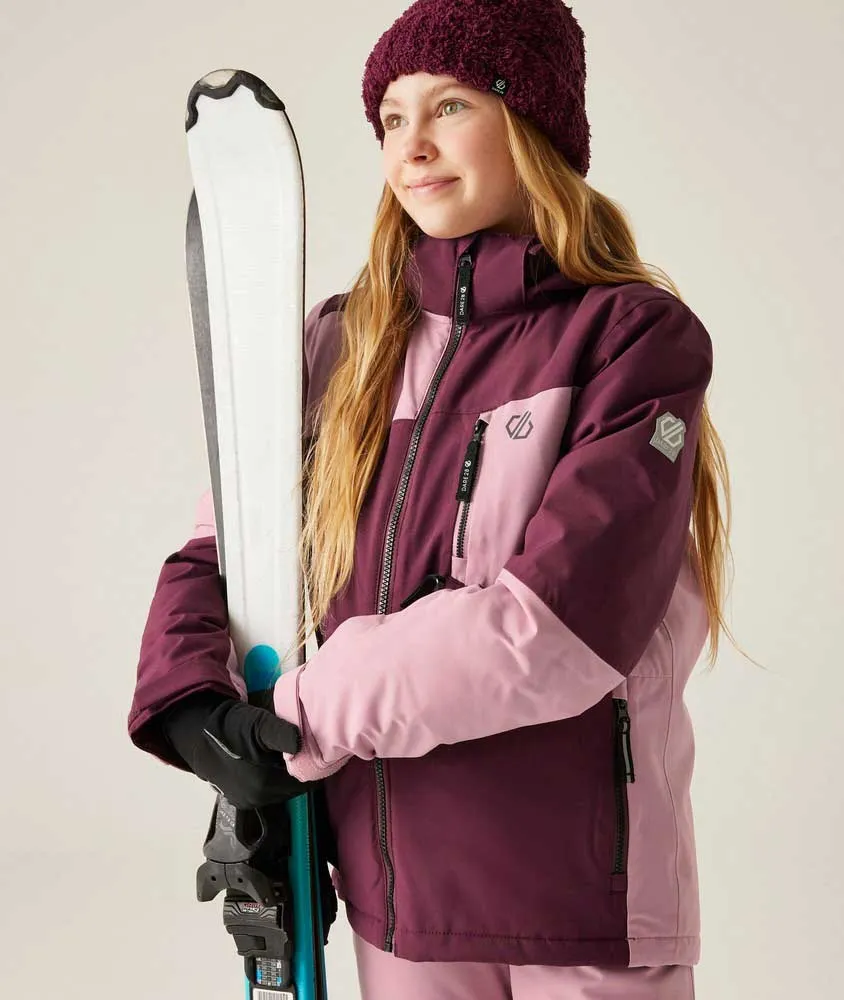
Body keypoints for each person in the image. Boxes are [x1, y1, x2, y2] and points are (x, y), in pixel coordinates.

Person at [128, 1, 751, 997]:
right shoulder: (338, 348)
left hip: (579, 901)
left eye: (449, 106)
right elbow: (227, 547)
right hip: (395, 901)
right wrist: (186, 701)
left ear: (534, 122)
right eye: (391, 119)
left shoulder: (629, 341)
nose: (410, 145)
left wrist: (295, 716)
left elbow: (553, 631)